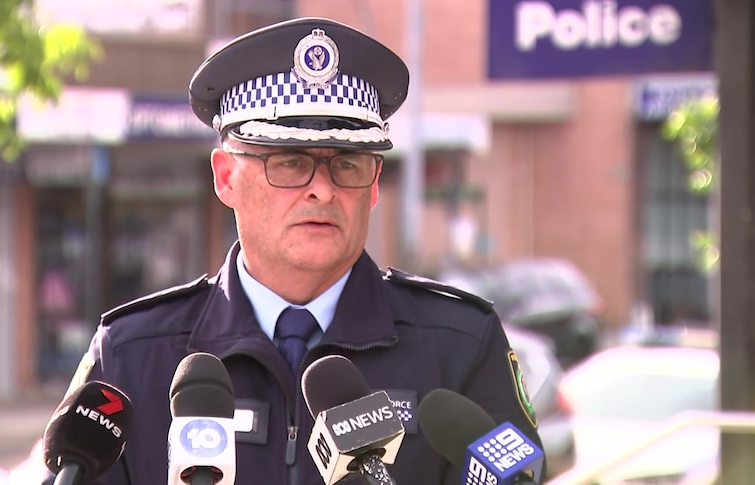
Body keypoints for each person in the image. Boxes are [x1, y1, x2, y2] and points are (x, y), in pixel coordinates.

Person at [40, 16, 545, 485]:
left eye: (347, 163)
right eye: (289, 162)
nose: (322, 190)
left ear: (373, 184)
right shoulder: (132, 355)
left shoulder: (460, 344)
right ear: (225, 177)